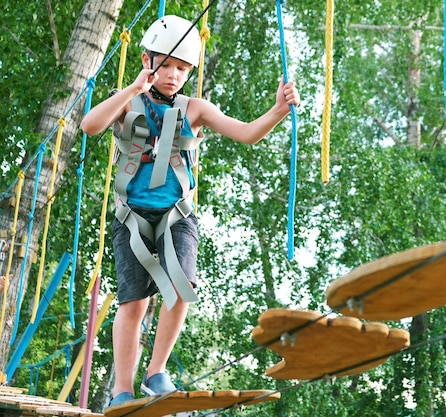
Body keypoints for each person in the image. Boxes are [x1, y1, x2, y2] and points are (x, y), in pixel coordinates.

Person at [81, 15, 300, 408]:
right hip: (131, 216)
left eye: (182, 68)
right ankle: (121, 391)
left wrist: (278, 111)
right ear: (148, 61)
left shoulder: (195, 109)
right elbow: (90, 126)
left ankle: (156, 373)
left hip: (177, 214)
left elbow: (247, 133)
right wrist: (134, 87)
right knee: (134, 302)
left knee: (183, 285)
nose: (173, 75)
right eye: (166, 65)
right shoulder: (127, 102)